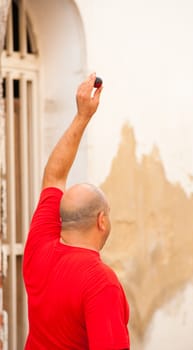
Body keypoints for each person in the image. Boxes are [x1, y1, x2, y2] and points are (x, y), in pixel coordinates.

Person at [23, 73, 130, 350]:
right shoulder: (100, 282)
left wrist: (82, 116)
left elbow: (54, 177)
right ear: (101, 220)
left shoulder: (38, 250)